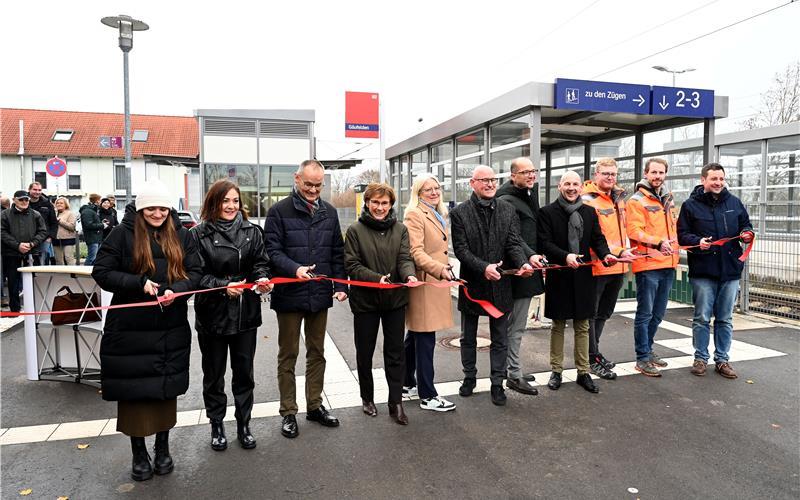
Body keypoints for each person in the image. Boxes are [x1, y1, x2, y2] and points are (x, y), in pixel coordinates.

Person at [92, 179, 202, 482]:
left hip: (170, 325)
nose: (157, 213)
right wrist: (138, 283)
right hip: (130, 329)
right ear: (141, 209)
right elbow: (100, 271)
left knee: (165, 390)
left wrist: (177, 290)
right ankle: (138, 453)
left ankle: (163, 448)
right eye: (151, 208)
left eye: (162, 208)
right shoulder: (121, 234)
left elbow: (195, 273)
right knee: (133, 392)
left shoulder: (182, 234)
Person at [264, 159, 348, 439]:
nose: (313, 190)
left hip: (319, 294)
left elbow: (337, 251)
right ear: (297, 179)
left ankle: (314, 405)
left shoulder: (330, 212)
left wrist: (340, 285)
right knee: (288, 355)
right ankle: (288, 411)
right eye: (309, 184)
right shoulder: (278, 212)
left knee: (317, 353)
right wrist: (294, 269)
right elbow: (272, 251)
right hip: (289, 294)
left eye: (318, 185)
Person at [192, 180, 272, 451]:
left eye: (235, 201)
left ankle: (244, 424)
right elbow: (195, 276)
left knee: (244, 373)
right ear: (213, 202)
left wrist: (262, 279)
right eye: (225, 201)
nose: (231, 206)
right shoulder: (198, 234)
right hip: (212, 315)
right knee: (213, 375)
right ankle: (216, 424)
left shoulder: (253, 232)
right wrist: (222, 287)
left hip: (245, 314)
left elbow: (261, 263)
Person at [450, 165, 534, 406]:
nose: (489, 184)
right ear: (472, 183)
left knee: (500, 337)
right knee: (468, 337)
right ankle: (469, 378)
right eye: (484, 180)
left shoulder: (508, 210)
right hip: (473, 284)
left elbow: (514, 243)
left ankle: (497, 383)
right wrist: (483, 267)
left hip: (501, 285)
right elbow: (461, 250)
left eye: (493, 180)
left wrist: (522, 263)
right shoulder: (460, 213)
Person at [344, 183, 417, 424]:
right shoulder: (355, 230)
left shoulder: (400, 229)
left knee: (395, 353)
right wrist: (377, 279)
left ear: (391, 205)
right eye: (375, 202)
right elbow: (352, 266)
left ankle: (396, 402)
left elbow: (404, 258)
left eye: (384, 203)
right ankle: (367, 397)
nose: (379, 207)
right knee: (364, 352)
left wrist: (409, 275)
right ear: (367, 203)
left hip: (395, 300)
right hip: (365, 301)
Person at [538, 171, 616, 394]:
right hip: (560, 275)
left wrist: (606, 255)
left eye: (575, 184)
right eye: (567, 184)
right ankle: (557, 371)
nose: (571, 188)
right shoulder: (547, 212)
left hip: (583, 276)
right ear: (559, 186)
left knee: (582, 325)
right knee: (558, 325)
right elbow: (544, 242)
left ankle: (583, 372)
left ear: (581, 187)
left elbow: (597, 239)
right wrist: (565, 256)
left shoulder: (590, 212)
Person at [677, 163, 753, 379]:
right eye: (713, 179)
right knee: (701, 317)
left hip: (729, 271)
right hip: (703, 271)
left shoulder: (734, 203)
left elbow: (746, 225)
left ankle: (722, 360)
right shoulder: (690, 206)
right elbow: (682, 235)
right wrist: (697, 241)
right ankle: (700, 358)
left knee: (725, 318)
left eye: (721, 178)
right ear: (704, 180)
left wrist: (747, 233)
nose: (718, 182)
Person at [403, 174, 457, 412]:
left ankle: (406, 383)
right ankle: (428, 395)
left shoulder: (436, 213)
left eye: (436, 188)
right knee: (425, 339)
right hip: (426, 283)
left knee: (415, 336)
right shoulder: (415, 214)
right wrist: (439, 269)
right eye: (428, 189)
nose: (434, 192)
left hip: (433, 281)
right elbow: (415, 251)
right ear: (418, 193)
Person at [495, 157, 546, 396]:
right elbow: (514, 237)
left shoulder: (527, 195)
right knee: (515, 327)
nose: (531, 175)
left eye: (533, 171)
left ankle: (510, 368)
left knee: (515, 325)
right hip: (518, 270)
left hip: (525, 267)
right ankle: (513, 375)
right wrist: (531, 256)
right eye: (525, 172)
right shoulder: (507, 201)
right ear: (513, 175)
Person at [626, 158, 680, 377]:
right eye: (654, 172)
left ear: (665, 174)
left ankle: (648, 350)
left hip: (669, 263)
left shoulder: (668, 199)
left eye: (661, 172)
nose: (658, 176)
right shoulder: (636, 201)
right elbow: (634, 231)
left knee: (658, 313)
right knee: (645, 313)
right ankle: (641, 357)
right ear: (646, 174)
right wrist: (658, 242)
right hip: (648, 264)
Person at [581, 158, 635, 380]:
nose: (610, 178)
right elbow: (593, 236)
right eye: (605, 174)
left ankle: (595, 352)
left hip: (618, 266)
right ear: (596, 174)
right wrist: (615, 252)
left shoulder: (619, 198)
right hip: (597, 266)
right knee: (591, 315)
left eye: (613, 174)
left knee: (604, 313)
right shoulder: (588, 199)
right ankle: (591, 357)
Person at [0, 190, 48, 312]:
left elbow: (43, 231)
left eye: (26, 199)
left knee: (35, 279)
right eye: (21, 199)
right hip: (11, 252)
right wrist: (17, 245)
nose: (24, 202)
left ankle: (35, 307)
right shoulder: (5, 214)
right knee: (13, 281)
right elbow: (2, 232)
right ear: (14, 199)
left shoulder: (36, 214)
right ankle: (15, 309)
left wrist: (32, 244)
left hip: (32, 252)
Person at [28, 182, 57, 265]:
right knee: (29, 260)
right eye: (35, 189)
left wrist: (51, 236)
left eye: (39, 190)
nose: (37, 192)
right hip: (28, 237)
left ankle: (40, 277)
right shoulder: (23, 202)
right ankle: (31, 277)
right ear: (29, 190)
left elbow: (54, 222)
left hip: (44, 237)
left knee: (42, 262)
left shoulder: (47, 204)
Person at [80, 194, 105, 266]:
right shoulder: (87, 211)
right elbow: (88, 225)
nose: (100, 202)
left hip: (95, 237)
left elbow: (91, 223)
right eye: (100, 200)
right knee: (91, 258)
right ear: (97, 201)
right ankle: (84, 272)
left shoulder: (91, 210)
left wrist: (101, 223)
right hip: (92, 238)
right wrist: (102, 225)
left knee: (94, 258)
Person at [53, 197, 77, 265]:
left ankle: (73, 273)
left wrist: (60, 221)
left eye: (61, 203)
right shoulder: (53, 213)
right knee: (58, 259)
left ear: (66, 204)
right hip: (56, 239)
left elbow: (72, 227)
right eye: (57, 203)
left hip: (68, 239)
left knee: (68, 258)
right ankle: (61, 274)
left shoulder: (70, 213)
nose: (59, 204)